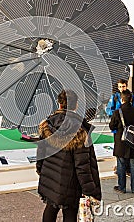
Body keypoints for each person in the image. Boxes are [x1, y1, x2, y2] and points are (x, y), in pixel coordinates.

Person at [37, 89, 101, 222]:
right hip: (71, 183)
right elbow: (82, 165)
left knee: (50, 208)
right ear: (76, 105)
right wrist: (89, 189)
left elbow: (40, 154)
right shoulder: (79, 130)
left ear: (59, 103)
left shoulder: (47, 125)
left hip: (50, 177)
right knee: (70, 213)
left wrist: (40, 170)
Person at [109, 89, 134, 194]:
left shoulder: (117, 112)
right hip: (133, 142)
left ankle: (122, 187)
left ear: (121, 99)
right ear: (131, 99)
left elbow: (112, 126)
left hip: (121, 142)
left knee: (121, 165)